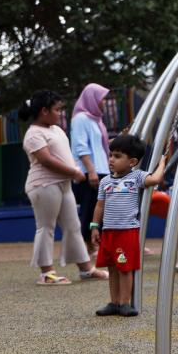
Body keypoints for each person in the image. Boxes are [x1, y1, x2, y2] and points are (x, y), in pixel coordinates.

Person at [20, 90, 108, 285]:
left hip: (63, 184)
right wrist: (73, 171)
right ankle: (47, 273)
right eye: (57, 109)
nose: (60, 113)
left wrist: (72, 173)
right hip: (44, 185)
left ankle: (86, 268)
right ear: (44, 111)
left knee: (73, 226)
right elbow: (46, 160)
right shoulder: (34, 134)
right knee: (45, 227)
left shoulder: (56, 130)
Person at [91, 134, 165, 317]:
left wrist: (162, 162)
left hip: (126, 231)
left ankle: (124, 302)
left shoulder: (136, 177)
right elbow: (100, 205)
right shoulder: (105, 182)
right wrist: (94, 226)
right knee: (112, 267)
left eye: (117, 156)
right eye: (110, 155)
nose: (111, 160)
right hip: (109, 231)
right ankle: (114, 302)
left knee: (124, 267)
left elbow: (154, 180)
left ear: (132, 161)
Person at [71, 83, 111, 257]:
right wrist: (91, 171)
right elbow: (81, 147)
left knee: (101, 209)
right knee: (89, 209)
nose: (104, 102)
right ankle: (89, 246)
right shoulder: (81, 119)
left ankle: (98, 243)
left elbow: (98, 146)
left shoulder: (96, 120)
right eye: (101, 98)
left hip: (101, 171)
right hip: (90, 173)